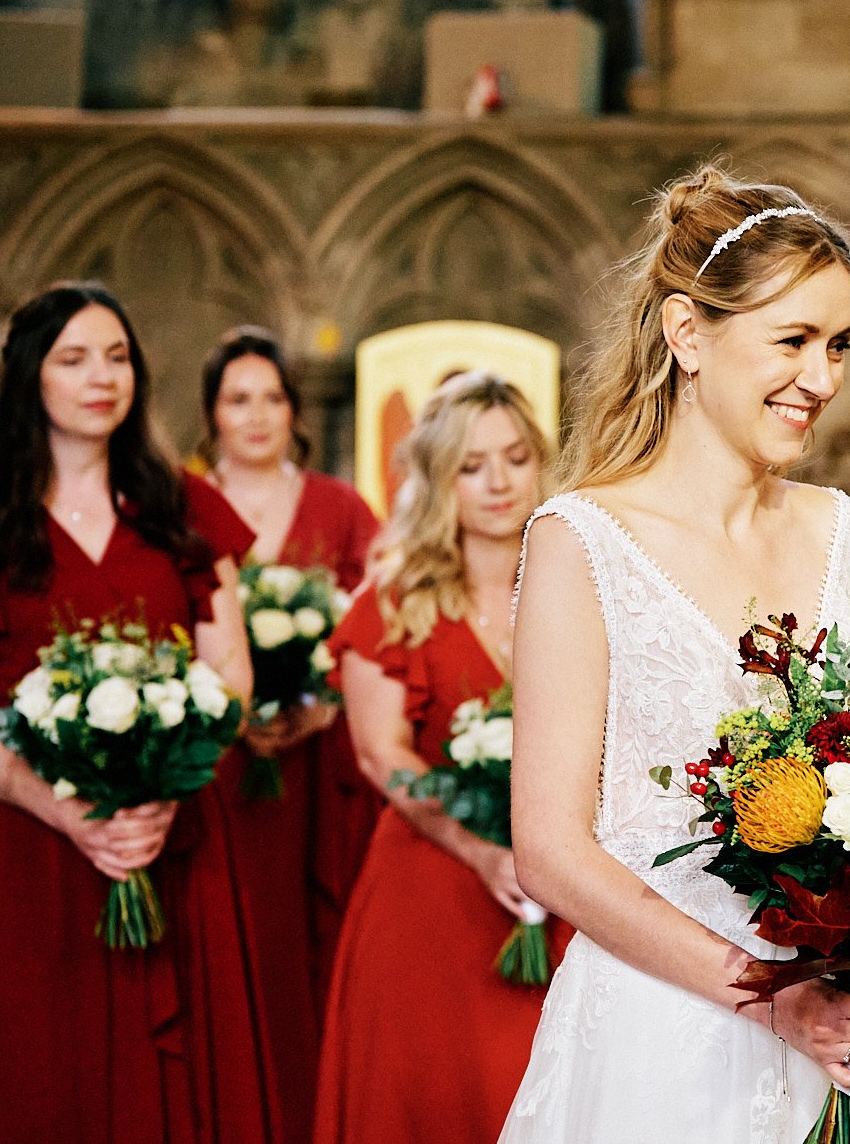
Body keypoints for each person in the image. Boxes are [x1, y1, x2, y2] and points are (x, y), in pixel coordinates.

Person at [501, 166, 850, 1142]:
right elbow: (551, 848)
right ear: (686, 333)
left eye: (837, 345)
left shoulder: (837, 529)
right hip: (662, 1041)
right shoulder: (582, 539)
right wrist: (770, 999)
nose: (821, 379)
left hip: (842, 1037)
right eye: (791, 341)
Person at [0, 282, 280, 1143]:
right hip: (23, 846)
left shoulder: (185, 507)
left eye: (117, 357)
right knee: (37, 1072)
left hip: (172, 834)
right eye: (74, 359)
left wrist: (166, 786)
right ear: (31, 377)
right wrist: (69, 812)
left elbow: (230, 675)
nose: (102, 377)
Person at [313, 372, 569, 1144]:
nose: (498, 481)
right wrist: (480, 847)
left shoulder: (581, 586)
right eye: (470, 464)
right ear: (437, 479)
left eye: (516, 457)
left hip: (560, 886)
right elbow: (378, 752)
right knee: (432, 1092)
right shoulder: (393, 600)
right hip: (430, 892)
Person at [200, 326, 382, 1144]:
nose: (257, 414)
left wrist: (326, 701)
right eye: (239, 398)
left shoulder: (341, 508)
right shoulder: (181, 504)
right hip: (218, 770)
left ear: (295, 410)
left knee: (316, 939)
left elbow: (377, 626)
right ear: (211, 414)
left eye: (272, 396)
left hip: (318, 761)